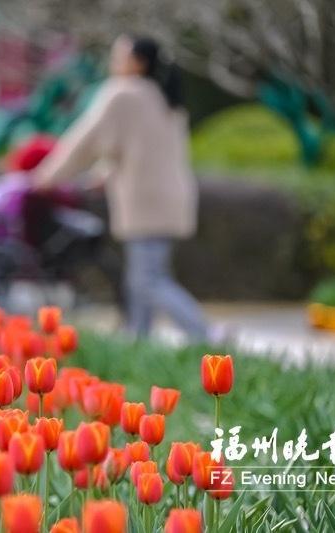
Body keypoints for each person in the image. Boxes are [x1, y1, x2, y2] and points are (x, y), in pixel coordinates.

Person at [35, 35, 210, 340]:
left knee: (149, 280)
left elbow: (84, 141)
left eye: (119, 56)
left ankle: (206, 336)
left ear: (138, 62)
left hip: (146, 202)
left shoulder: (122, 94)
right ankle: (138, 339)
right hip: (170, 198)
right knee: (143, 278)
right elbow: (137, 148)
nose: (113, 63)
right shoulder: (161, 94)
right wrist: (105, 173)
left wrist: (46, 176)